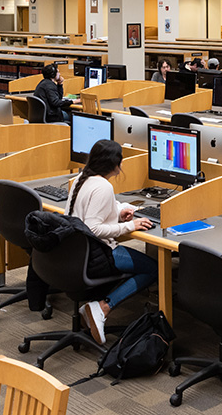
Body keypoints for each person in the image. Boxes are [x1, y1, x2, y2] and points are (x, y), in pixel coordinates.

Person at [66, 139, 158, 344]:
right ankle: (103, 307)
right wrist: (130, 226)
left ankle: (91, 308)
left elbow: (88, 215)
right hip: (97, 254)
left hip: (76, 251)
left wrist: (117, 212)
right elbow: (94, 228)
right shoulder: (103, 186)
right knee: (153, 269)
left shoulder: (82, 178)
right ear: (114, 165)